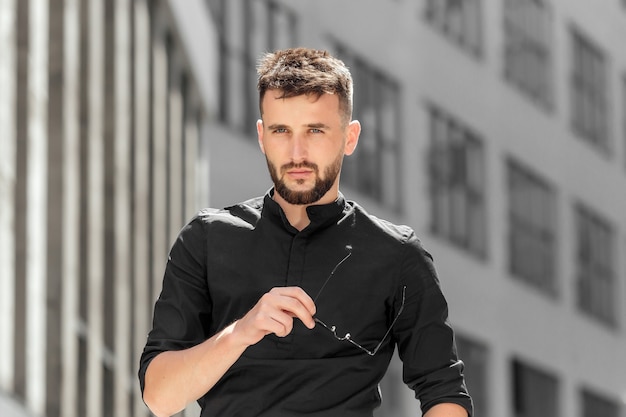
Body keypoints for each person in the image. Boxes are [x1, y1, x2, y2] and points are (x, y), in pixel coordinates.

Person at [139, 47, 473, 417]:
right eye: (282, 130)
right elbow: (159, 396)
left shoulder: (397, 255)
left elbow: (445, 393)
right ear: (262, 136)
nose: (297, 152)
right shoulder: (205, 239)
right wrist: (242, 332)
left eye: (315, 130)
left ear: (349, 137)